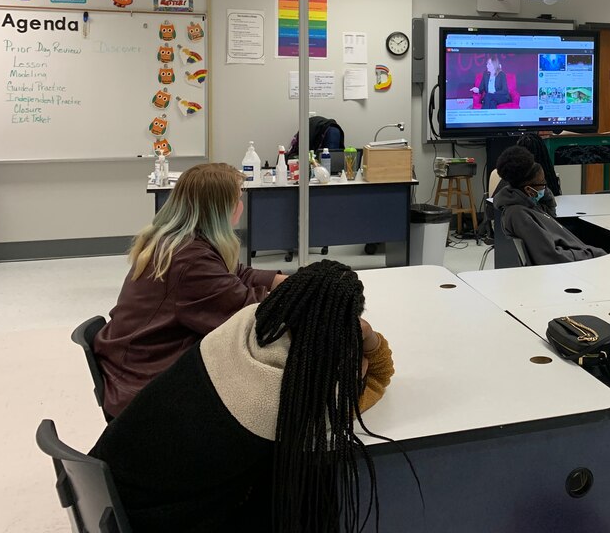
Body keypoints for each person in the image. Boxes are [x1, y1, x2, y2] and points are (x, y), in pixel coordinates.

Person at [91, 260, 393, 533]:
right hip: (152, 517)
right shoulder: (299, 400)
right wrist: (368, 339)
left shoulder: (247, 323)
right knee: (307, 494)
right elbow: (380, 377)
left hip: (110, 479)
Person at [94, 163, 287, 418]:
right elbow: (248, 314)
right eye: (237, 199)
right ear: (219, 209)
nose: (241, 205)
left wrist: (281, 281)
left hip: (135, 366)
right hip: (145, 388)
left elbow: (234, 274)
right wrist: (302, 295)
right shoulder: (190, 260)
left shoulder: (174, 241)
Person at [493, 145, 605, 265]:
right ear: (529, 190)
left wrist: (544, 192)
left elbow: (550, 215)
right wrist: (595, 254)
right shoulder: (519, 215)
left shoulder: (527, 203)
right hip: (573, 265)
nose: (545, 187)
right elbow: (552, 257)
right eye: (542, 183)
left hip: (576, 256)